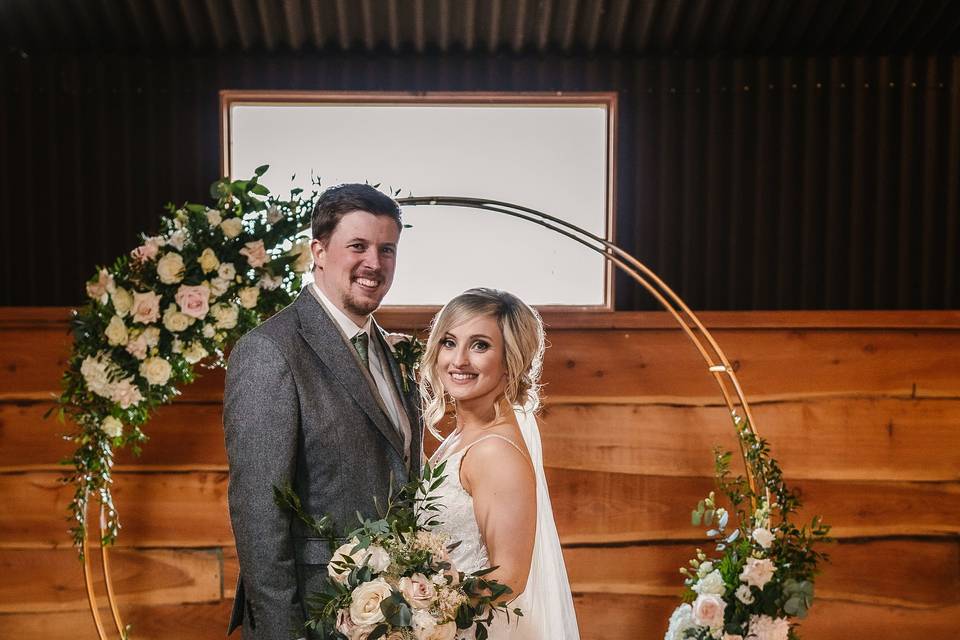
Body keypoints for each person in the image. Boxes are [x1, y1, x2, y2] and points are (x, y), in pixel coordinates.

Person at [223, 184, 422, 639]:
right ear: (319, 250)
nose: (374, 263)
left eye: (386, 249)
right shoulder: (270, 351)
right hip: (313, 616)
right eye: (358, 246)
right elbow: (258, 513)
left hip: (394, 613)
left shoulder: (393, 352)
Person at [421, 288, 580, 639]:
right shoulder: (464, 438)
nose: (458, 360)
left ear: (511, 359)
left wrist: (420, 607)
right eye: (449, 342)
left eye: (480, 345)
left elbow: (508, 578)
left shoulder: (495, 450)